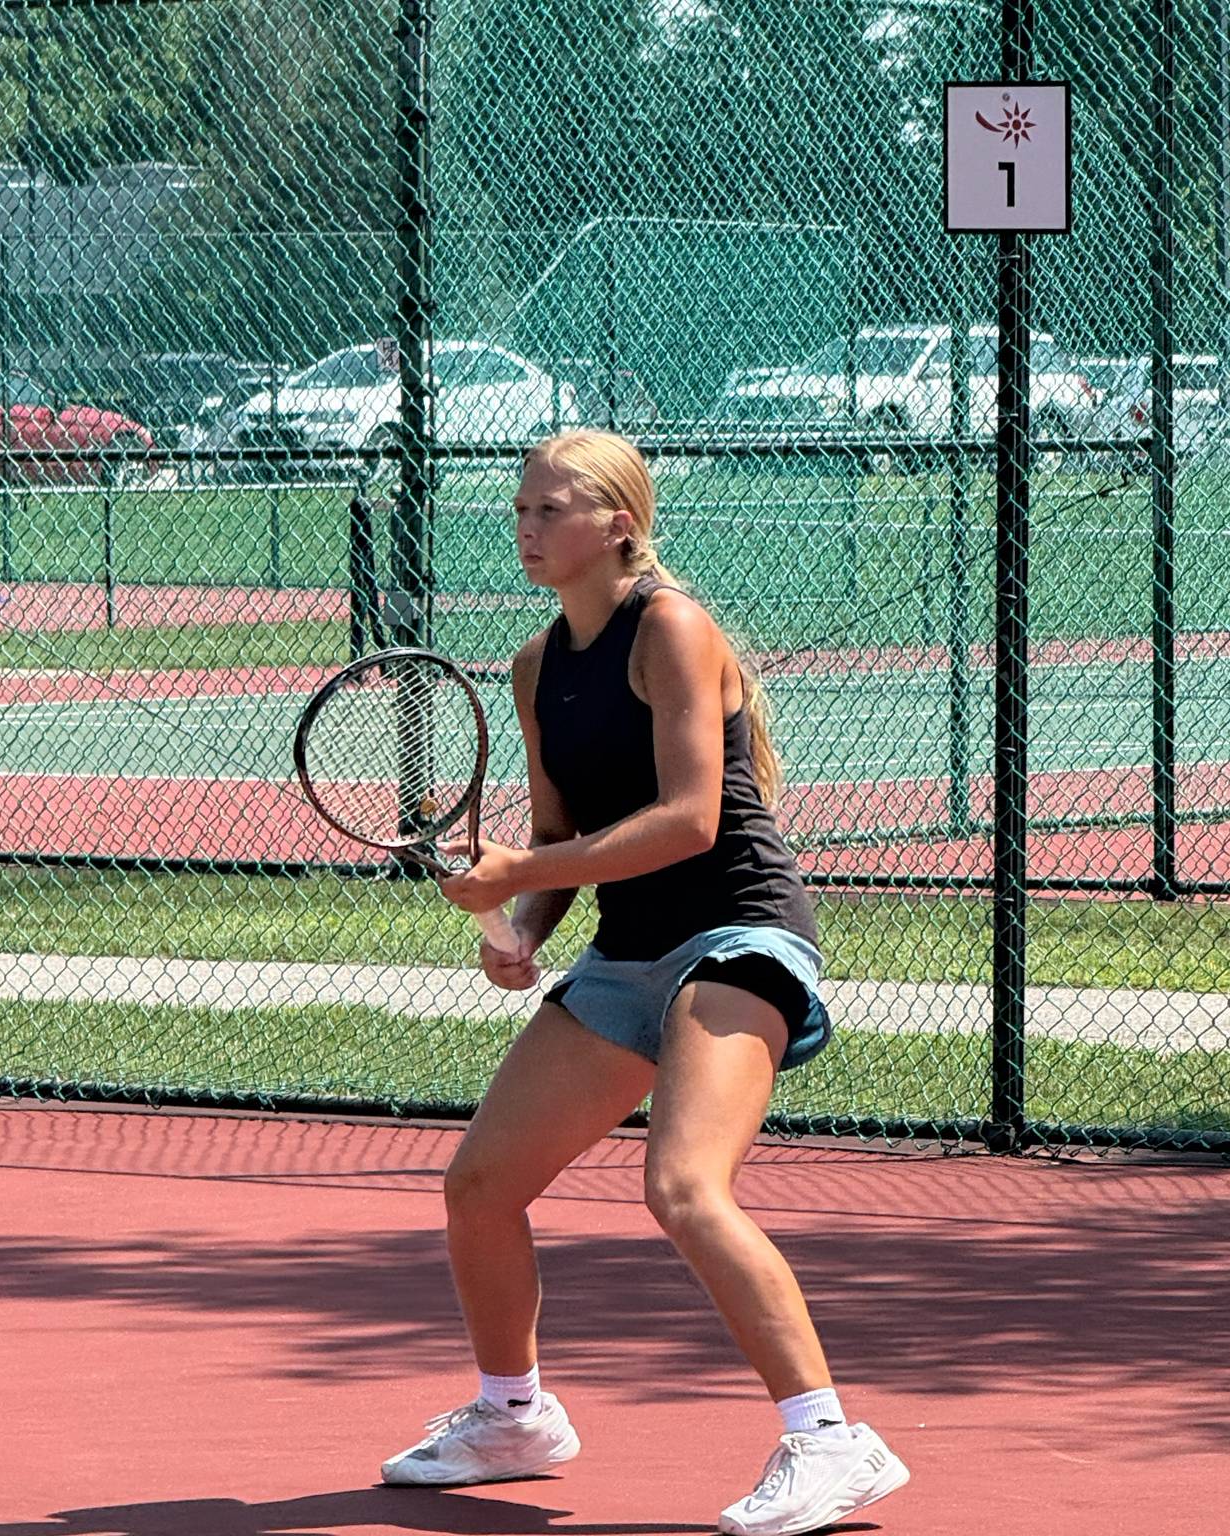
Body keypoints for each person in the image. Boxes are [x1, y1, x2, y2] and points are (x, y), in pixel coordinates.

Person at [379, 430, 908, 1535]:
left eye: (550, 510)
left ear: (618, 524)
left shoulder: (671, 627)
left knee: (684, 1187)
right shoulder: (535, 666)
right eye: (520, 510)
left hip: (739, 932)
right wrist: (522, 928)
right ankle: (513, 1417)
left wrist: (525, 876)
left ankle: (831, 1441)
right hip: (628, 952)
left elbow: (689, 820)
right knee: (480, 1186)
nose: (527, 528)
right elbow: (558, 839)